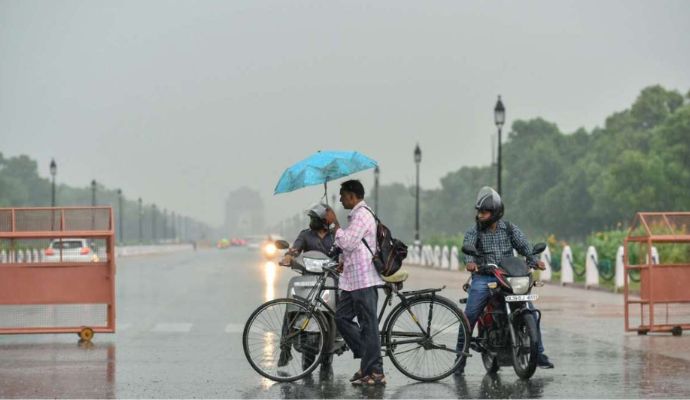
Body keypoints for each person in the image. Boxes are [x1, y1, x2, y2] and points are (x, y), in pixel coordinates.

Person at [455, 186, 554, 376]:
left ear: (495, 213)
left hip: (509, 277)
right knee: (470, 316)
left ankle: (538, 353)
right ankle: (460, 358)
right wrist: (470, 263)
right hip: (485, 277)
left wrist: (534, 260)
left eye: (484, 212)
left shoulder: (509, 229)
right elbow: (467, 250)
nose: (480, 215)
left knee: (530, 311)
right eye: (479, 212)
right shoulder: (474, 231)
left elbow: (525, 247)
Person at [324, 179, 386, 386]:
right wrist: (342, 261)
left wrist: (334, 225)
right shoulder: (356, 216)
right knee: (341, 318)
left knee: (369, 326)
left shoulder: (361, 215)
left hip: (364, 279)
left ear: (352, 195)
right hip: (352, 280)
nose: (340, 199)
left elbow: (348, 242)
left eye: (342, 195)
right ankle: (368, 360)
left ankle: (375, 371)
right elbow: (354, 246)